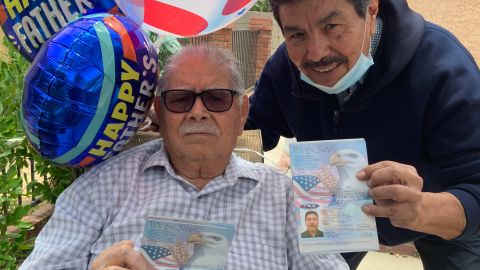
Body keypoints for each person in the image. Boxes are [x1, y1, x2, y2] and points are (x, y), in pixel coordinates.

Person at [19, 45, 348, 270]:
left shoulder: (288, 197)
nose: (198, 112)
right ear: (159, 113)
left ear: (241, 112)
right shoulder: (101, 187)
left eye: (217, 99)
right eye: (180, 100)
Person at [245, 0, 480, 269]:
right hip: (337, 216)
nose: (316, 53)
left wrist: (423, 208)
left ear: (370, 10)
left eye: (332, 26)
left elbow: (475, 187)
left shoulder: (442, 66)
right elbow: (253, 131)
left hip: (437, 208)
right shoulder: (284, 69)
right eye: (297, 34)